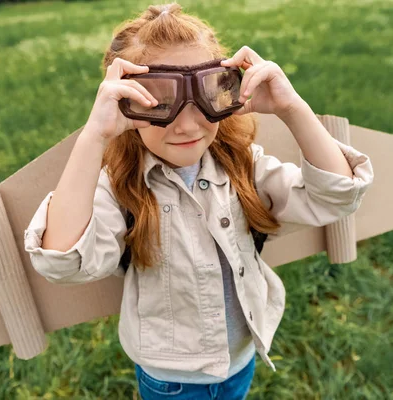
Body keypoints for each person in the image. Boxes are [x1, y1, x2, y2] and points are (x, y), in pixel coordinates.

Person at [23, 3, 374, 399]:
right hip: (171, 379)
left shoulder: (242, 165)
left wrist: (293, 108)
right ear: (127, 103)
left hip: (242, 357)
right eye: (160, 104)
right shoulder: (122, 187)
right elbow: (61, 261)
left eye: (207, 96)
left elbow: (338, 196)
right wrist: (94, 136)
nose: (188, 125)